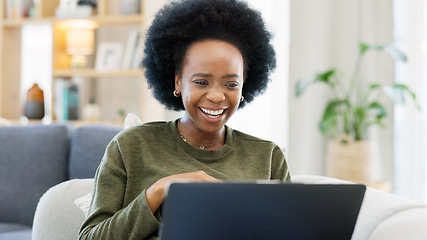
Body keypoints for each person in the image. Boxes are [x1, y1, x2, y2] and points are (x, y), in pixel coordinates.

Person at [78, 0, 291, 239]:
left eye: (231, 84)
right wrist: (160, 190)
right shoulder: (131, 147)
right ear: (178, 81)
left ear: (244, 87)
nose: (217, 96)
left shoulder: (268, 158)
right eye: (201, 82)